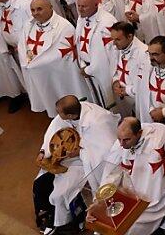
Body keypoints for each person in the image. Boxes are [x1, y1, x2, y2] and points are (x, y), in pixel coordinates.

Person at [98, 117, 165, 233]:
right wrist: (100, 198)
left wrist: (137, 202)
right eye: (119, 139)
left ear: (139, 133)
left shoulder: (156, 144)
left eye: (126, 140)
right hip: (132, 189)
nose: (121, 144)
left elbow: (154, 186)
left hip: (158, 190)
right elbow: (112, 170)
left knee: (132, 225)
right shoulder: (122, 140)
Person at [32, 95, 118, 232]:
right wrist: (44, 152)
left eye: (61, 114)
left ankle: (64, 225)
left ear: (71, 115)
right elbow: (53, 132)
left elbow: (105, 150)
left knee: (59, 194)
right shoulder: (67, 115)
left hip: (87, 162)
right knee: (40, 184)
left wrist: (79, 153)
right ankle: (52, 217)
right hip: (67, 158)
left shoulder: (97, 120)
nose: (58, 116)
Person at [18, 0, 90, 117]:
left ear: (51, 8)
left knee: (62, 93)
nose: (35, 13)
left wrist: (35, 63)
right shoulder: (28, 24)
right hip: (38, 69)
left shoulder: (63, 26)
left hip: (59, 71)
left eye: (39, 9)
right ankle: (56, 113)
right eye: (33, 10)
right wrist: (26, 60)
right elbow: (22, 44)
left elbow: (57, 53)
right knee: (48, 95)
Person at [74, 0, 118, 108]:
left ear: (96, 4)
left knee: (109, 99)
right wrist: (82, 63)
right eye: (79, 6)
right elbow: (79, 41)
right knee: (97, 98)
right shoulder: (82, 18)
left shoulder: (107, 23)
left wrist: (89, 70)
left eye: (84, 6)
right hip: (87, 66)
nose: (80, 9)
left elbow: (107, 53)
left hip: (102, 69)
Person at [109, 22, 148, 117]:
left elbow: (145, 84)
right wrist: (115, 81)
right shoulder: (118, 47)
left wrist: (127, 90)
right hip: (125, 97)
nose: (114, 43)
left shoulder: (144, 54)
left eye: (118, 39)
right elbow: (116, 69)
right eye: (113, 39)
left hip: (140, 99)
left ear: (130, 36)